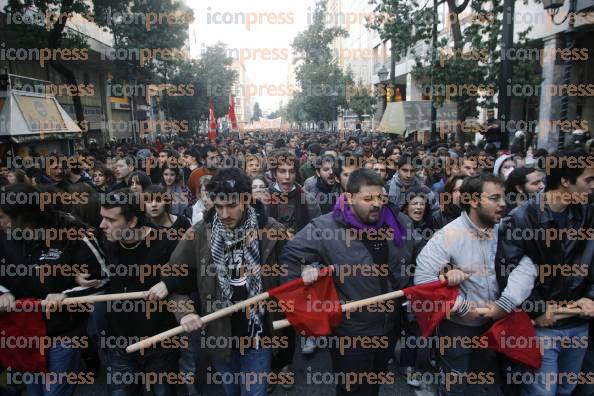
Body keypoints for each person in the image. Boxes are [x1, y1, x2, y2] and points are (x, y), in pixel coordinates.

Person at [148, 168, 290, 396]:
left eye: (231, 205)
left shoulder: (272, 231)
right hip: (219, 335)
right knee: (231, 391)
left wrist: (309, 268)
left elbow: (294, 269)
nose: (224, 214)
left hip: (258, 333)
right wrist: (185, 313)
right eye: (218, 206)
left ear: (246, 200)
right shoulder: (200, 233)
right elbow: (174, 279)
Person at [281, 168, 416, 396]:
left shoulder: (398, 221)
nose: (376, 204)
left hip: (389, 327)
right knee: (352, 390)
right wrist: (309, 288)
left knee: (373, 385)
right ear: (349, 198)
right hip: (350, 334)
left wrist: (446, 269)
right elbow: (290, 258)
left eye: (380, 197)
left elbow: (421, 252)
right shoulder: (325, 228)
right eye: (367, 198)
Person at [486, 150, 594, 396]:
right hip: (542, 326)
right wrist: (538, 309)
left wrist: (591, 296)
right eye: (588, 180)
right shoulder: (521, 220)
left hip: (579, 322)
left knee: (567, 390)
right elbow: (509, 272)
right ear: (566, 181)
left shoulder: (588, 213)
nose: (592, 186)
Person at [0, 183, 105, 396]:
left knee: (55, 393)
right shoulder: (3, 235)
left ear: (23, 216)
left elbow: (103, 280)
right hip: (23, 332)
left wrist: (65, 296)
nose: (0, 223)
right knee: (34, 392)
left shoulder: (72, 233)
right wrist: (2, 291)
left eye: (2, 217)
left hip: (63, 332)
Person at [415, 173, 506, 395]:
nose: (503, 204)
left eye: (504, 197)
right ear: (474, 201)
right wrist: (462, 306)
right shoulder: (447, 235)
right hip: (459, 327)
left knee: (484, 382)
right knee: (453, 384)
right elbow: (423, 281)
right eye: (495, 198)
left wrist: (507, 302)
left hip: (497, 323)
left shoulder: (506, 229)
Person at [97, 188, 181, 396]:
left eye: (110, 220)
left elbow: (189, 279)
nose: (102, 225)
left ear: (132, 222)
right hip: (119, 344)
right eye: (102, 218)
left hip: (159, 343)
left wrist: (169, 283)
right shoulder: (107, 241)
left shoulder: (167, 243)